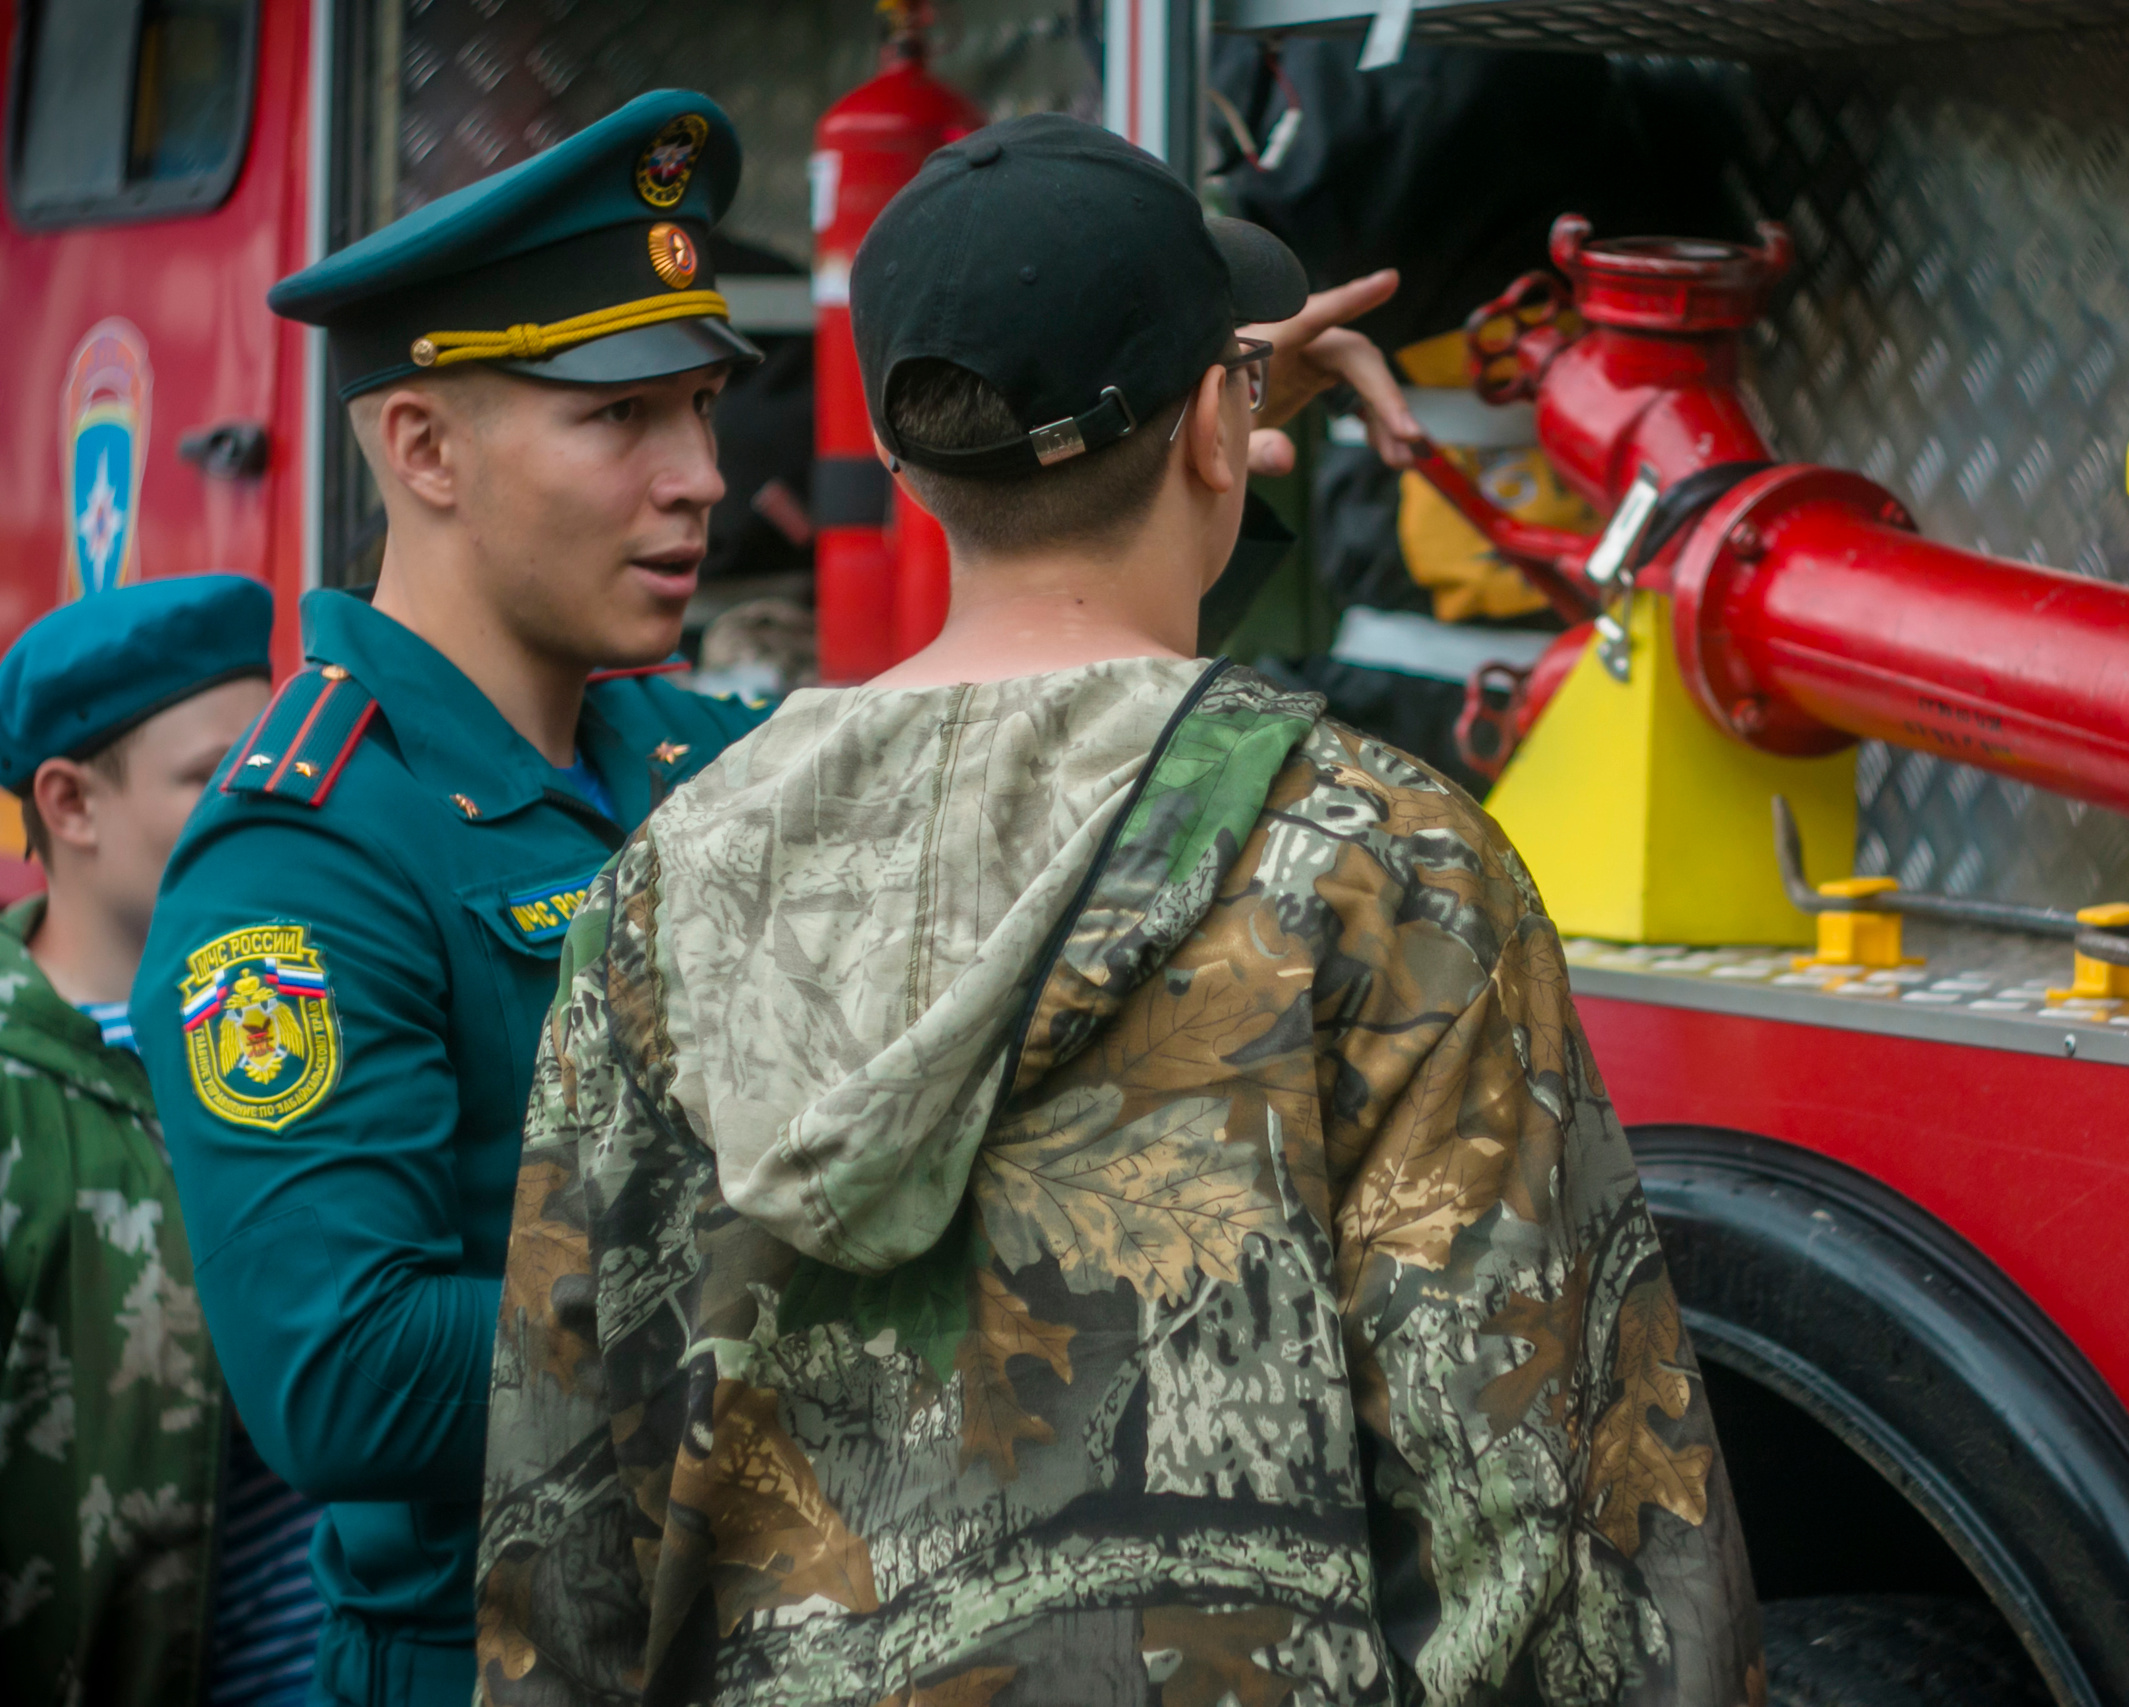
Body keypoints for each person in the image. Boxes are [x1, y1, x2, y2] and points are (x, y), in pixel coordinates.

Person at [476, 113, 1761, 1705]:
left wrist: (1188, 418)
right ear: (1225, 433)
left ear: (900, 459)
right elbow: (1554, 1515)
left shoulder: (669, 879)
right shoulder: (1375, 860)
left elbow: (564, 1514)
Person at [132, 92, 776, 1707]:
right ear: (421, 448)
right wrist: (798, 1285)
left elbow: (1007, 769)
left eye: (701, 408)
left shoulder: (693, 750)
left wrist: (1167, 480)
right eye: (617, 419)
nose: (699, 475)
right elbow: (339, 1371)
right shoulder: (304, 856)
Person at [0, 574, 333, 1707]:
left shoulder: (314, 1015)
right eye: (213, 777)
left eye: (273, 763)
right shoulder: (16, 1097)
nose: (268, 804)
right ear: (70, 803)